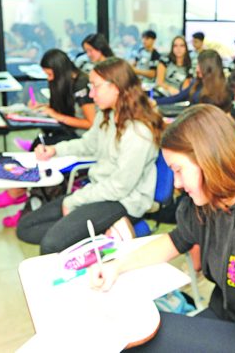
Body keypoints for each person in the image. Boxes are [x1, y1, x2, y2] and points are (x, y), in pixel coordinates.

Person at [90, 104, 235, 353]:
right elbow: (176, 240)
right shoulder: (212, 201)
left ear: (209, 160)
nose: (178, 184)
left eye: (179, 170)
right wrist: (116, 266)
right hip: (233, 318)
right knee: (135, 332)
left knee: (140, 341)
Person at [16, 58, 165, 253]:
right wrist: (55, 150)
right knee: (25, 228)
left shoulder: (138, 132)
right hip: (100, 190)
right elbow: (88, 144)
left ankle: (96, 237)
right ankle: (97, 236)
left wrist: (75, 200)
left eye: (95, 86)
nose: (90, 93)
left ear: (116, 88)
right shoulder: (109, 115)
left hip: (124, 201)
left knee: (51, 245)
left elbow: (120, 187)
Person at [0, 49, 97, 226]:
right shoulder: (66, 81)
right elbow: (68, 108)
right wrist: (45, 107)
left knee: (42, 152)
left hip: (82, 138)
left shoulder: (82, 84)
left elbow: (90, 123)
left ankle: (21, 192)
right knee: (39, 144)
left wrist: (56, 115)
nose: (49, 79)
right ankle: (21, 190)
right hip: (67, 131)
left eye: (50, 74)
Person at [154, 49, 231, 111]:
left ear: (210, 68)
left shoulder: (223, 90)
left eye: (200, 66)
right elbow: (178, 97)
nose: (197, 69)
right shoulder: (197, 83)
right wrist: (155, 102)